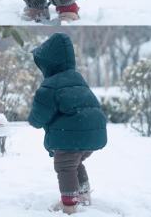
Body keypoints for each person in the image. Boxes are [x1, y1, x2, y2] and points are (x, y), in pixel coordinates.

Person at [28, 33, 107, 214]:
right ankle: (84, 194)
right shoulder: (78, 79)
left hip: (72, 135)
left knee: (65, 166)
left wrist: (34, 121)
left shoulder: (50, 85)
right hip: (94, 134)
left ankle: (69, 205)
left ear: (48, 63)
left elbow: (41, 112)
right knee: (75, 163)